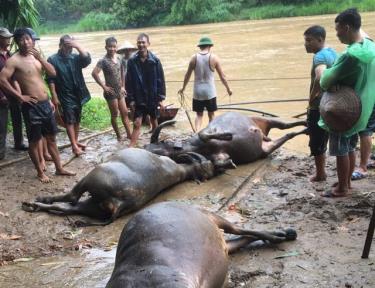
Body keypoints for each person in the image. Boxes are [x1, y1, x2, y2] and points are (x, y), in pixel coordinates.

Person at [0, 28, 75, 182]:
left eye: (28, 39)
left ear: (32, 40)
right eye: (22, 39)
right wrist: (20, 96)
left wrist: (40, 59)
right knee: (34, 141)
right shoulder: (14, 60)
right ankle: (40, 172)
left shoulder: (36, 58)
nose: (26, 42)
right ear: (17, 42)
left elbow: (52, 73)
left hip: (45, 105)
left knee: (51, 138)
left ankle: (59, 168)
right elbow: (2, 80)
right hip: (31, 107)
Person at [319, 8, 375, 197]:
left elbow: (325, 81)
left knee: (341, 149)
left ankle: (343, 188)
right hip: (363, 109)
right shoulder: (369, 45)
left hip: (344, 111)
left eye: (338, 30)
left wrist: (325, 75)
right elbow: (364, 34)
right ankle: (347, 181)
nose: (337, 34)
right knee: (350, 145)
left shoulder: (350, 56)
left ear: (347, 27)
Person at [303, 25, 337, 182]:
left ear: (320, 40)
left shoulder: (319, 57)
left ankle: (320, 174)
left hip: (319, 106)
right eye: (305, 40)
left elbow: (320, 76)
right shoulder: (331, 52)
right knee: (327, 138)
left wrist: (313, 95)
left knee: (316, 140)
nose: (306, 44)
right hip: (332, 103)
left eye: (309, 40)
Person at [48, 35, 91, 156]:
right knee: (69, 120)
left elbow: (87, 60)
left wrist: (77, 45)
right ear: (60, 45)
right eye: (66, 45)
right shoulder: (53, 59)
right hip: (64, 94)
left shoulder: (75, 57)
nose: (69, 47)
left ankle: (75, 142)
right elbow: (50, 79)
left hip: (78, 93)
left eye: (70, 45)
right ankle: (73, 145)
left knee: (76, 119)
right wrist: (54, 96)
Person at [178, 37, 232, 131]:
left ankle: (197, 133)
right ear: (210, 46)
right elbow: (222, 76)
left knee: (199, 115)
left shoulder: (194, 58)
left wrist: (183, 88)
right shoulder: (214, 58)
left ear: (200, 46)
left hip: (197, 92)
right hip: (210, 92)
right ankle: (210, 133)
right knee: (211, 114)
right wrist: (228, 89)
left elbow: (187, 76)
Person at [126, 33, 166, 147]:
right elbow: (129, 81)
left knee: (154, 119)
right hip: (139, 97)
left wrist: (160, 98)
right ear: (137, 44)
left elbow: (160, 80)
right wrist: (131, 99)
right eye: (139, 42)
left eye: (143, 42)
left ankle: (155, 141)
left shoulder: (155, 61)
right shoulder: (132, 61)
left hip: (152, 96)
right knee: (137, 123)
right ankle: (131, 146)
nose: (141, 44)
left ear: (148, 44)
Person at [92, 37, 132, 141]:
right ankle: (119, 136)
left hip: (120, 91)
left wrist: (123, 86)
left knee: (125, 113)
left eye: (114, 47)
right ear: (106, 47)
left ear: (116, 47)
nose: (112, 49)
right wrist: (103, 86)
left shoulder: (119, 58)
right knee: (115, 114)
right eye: (110, 47)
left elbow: (122, 72)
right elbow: (94, 73)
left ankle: (129, 135)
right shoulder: (103, 61)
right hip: (111, 92)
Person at [350, 29, 374, 181]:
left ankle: (363, 166)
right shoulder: (370, 46)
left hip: (369, 97)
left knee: (365, 131)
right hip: (371, 93)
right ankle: (369, 158)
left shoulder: (362, 49)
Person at [0, 27, 13, 160]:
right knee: (1, 125)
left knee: (13, 120)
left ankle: (19, 142)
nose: (8, 39)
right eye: (5, 37)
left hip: (10, 94)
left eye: (9, 37)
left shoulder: (8, 54)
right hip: (2, 97)